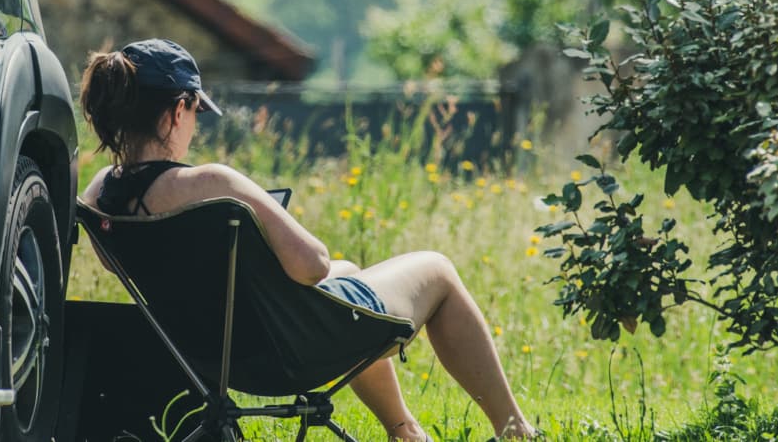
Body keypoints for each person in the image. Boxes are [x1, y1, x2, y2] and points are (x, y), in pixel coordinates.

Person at [77, 39, 538, 441]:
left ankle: (406, 431)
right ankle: (515, 428)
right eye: (196, 112)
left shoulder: (98, 196)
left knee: (349, 272)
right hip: (291, 353)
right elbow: (312, 265)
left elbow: (115, 265)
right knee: (437, 269)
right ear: (178, 110)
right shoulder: (212, 183)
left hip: (213, 360)